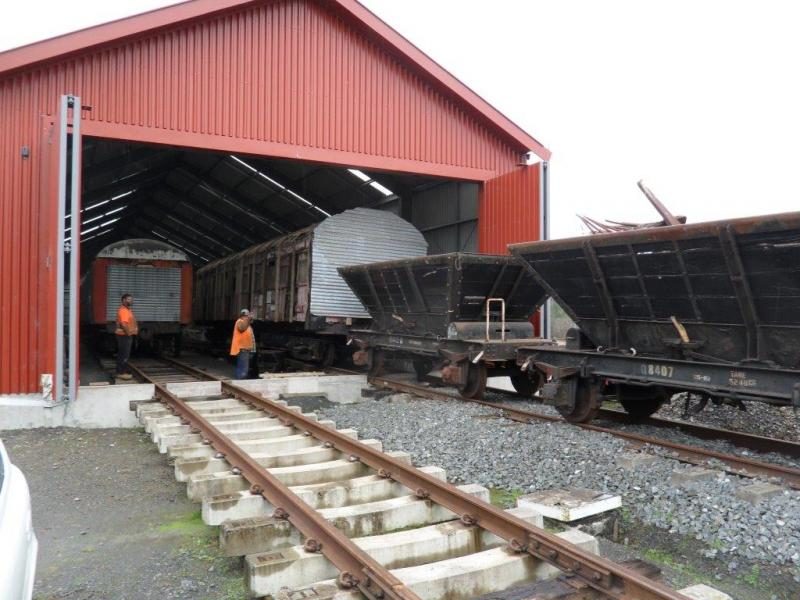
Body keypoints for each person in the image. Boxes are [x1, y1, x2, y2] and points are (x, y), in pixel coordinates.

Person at [115, 293, 138, 380]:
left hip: (125, 335)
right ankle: (120, 373)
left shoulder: (128, 310)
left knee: (124, 354)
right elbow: (124, 324)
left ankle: (122, 370)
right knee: (123, 355)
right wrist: (128, 333)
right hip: (124, 336)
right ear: (124, 300)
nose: (131, 301)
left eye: (131, 299)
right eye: (129, 299)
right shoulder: (124, 310)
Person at [230, 309, 256, 379]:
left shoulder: (246, 324)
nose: (247, 318)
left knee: (245, 367)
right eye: (246, 316)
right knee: (243, 368)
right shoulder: (240, 322)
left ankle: (242, 379)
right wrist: (248, 320)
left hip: (246, 349)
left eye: (248, 316)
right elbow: (242, 328)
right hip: (242, 348)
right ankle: (240, 381)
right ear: (242, 316)